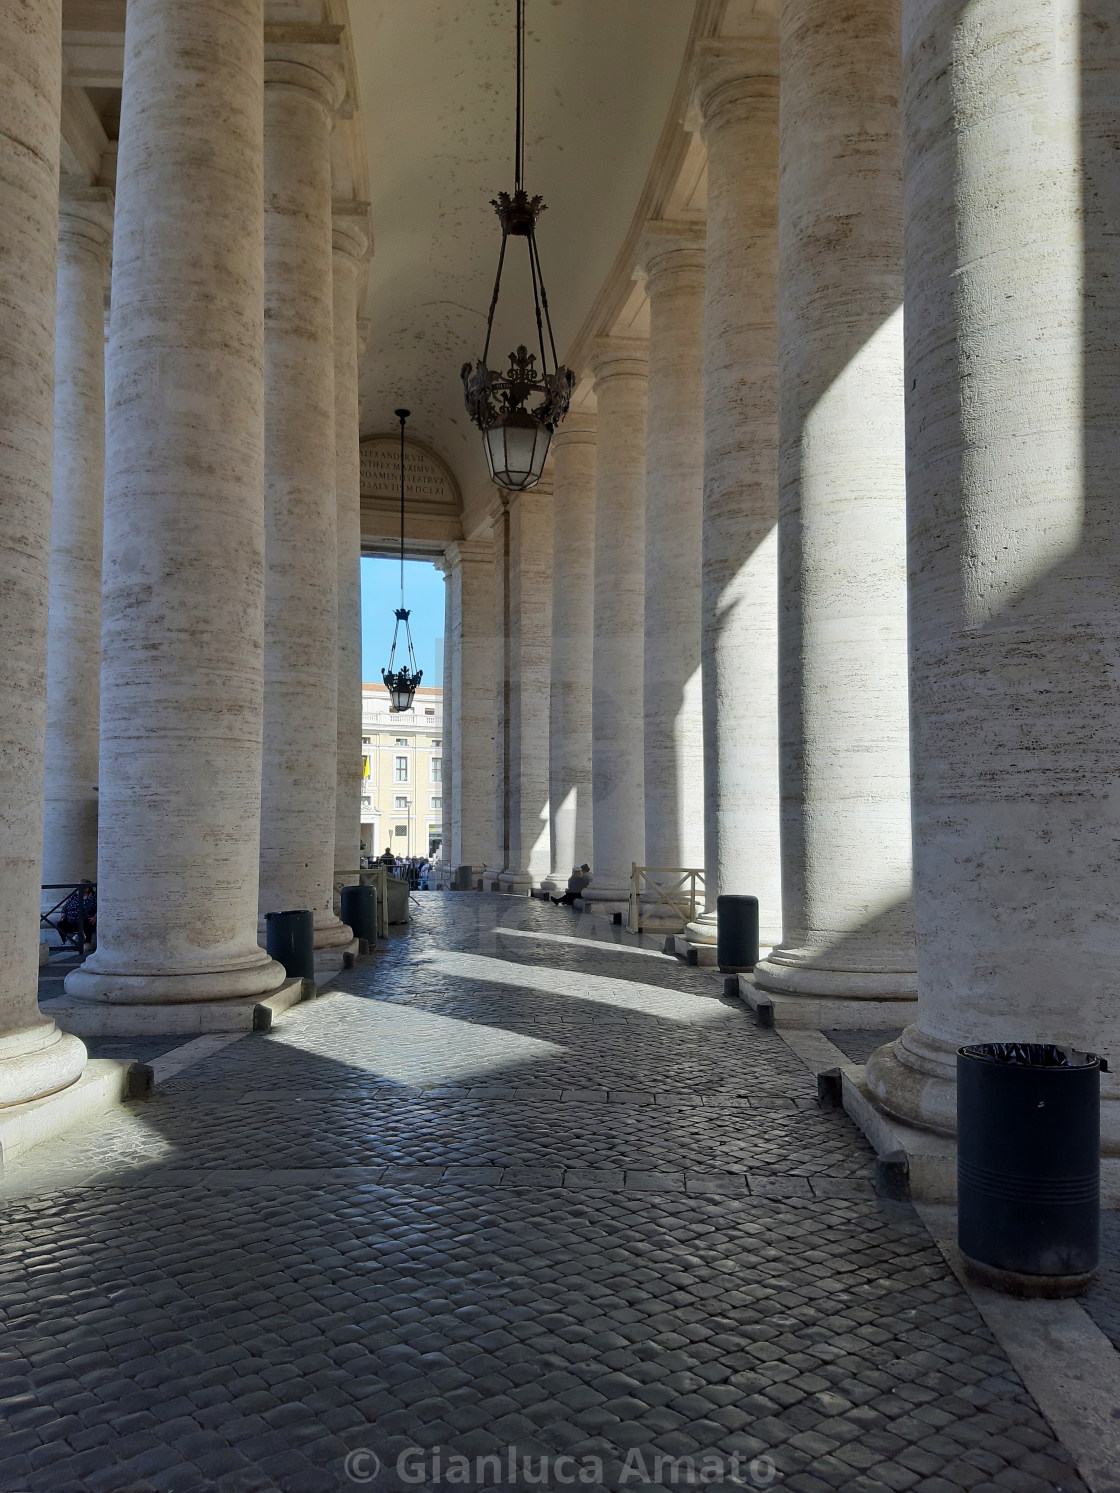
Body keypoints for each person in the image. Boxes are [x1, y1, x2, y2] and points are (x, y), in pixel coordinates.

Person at [58, 880, 97, 950]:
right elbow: (65, 906)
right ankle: (67, 941)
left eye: (82, 887)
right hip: (71, 920)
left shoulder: (93, 896)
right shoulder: (74, 896)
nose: (80, 889)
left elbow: (99, 908)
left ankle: (87, 943)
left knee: (89, 923)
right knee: (60, 924)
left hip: (86, 920)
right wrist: (63, 914)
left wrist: (95, 917)